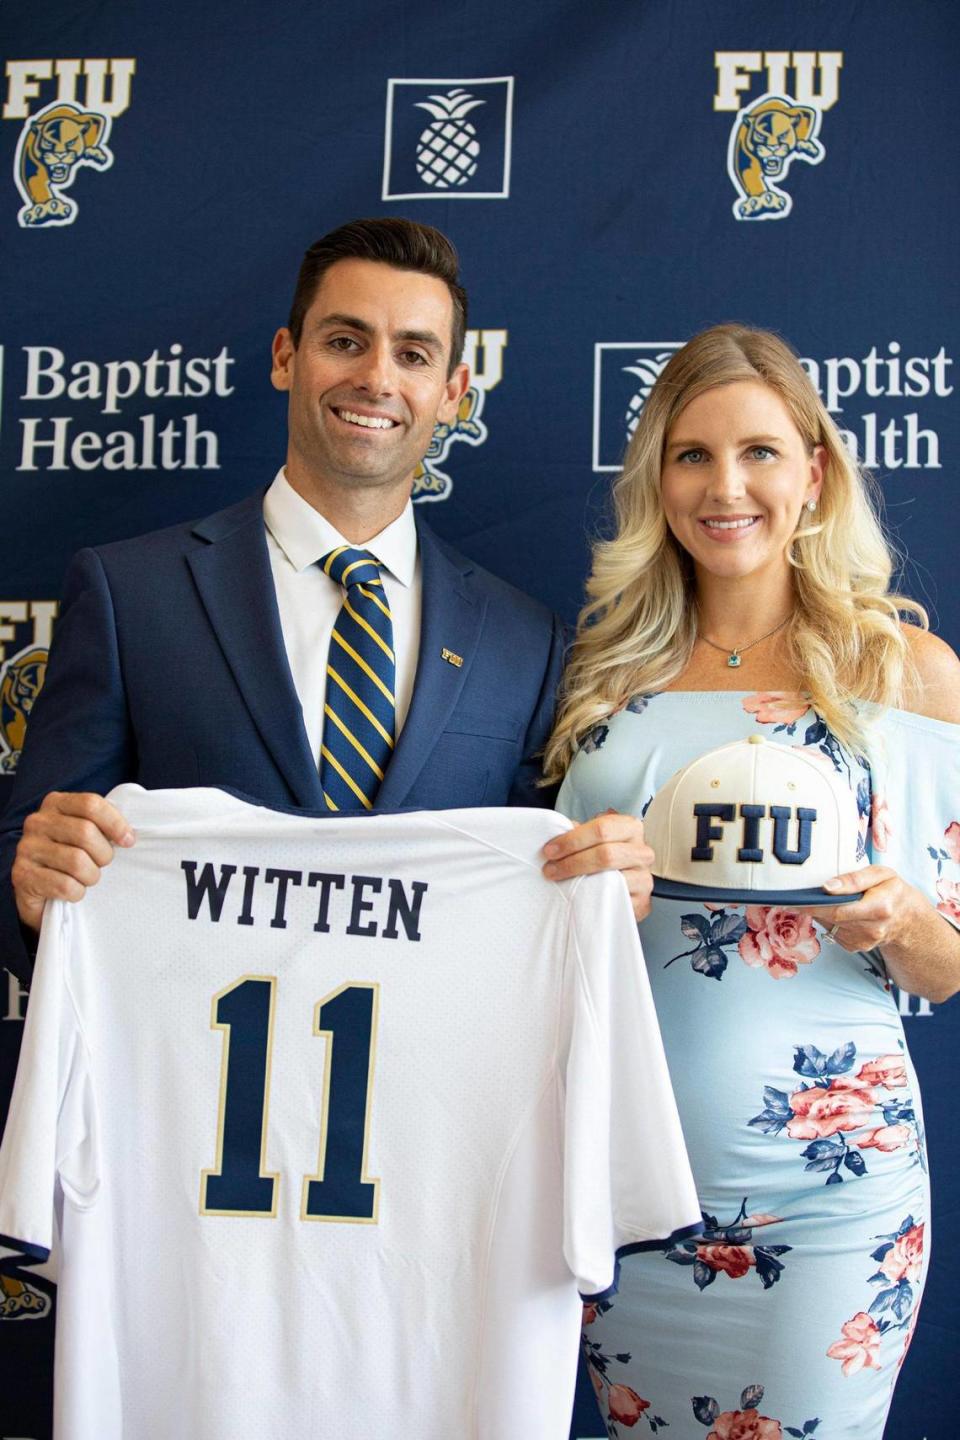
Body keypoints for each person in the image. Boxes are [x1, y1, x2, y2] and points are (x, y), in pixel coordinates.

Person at [0, 217, 653, 983]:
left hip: (432, 1090)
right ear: (287, 357)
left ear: (452, 394)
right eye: (345, 341)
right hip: (179, 1085)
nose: (377, 379)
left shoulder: (524, 641)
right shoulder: (129, 594)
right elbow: (31, 854)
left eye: (413, 354)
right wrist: (31, 885)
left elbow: (537, 907)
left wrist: (603, 893)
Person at [546, 324, 960, 1439]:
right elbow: (534, 934)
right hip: (623, 1179)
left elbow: (952, 962)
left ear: (814, 472)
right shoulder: (599, 678)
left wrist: (901, 918)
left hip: (834, 1194)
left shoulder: (907, 676)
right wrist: (580, 899)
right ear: (657, 480)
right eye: (692, 455)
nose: (725, 487)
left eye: (760, 453)